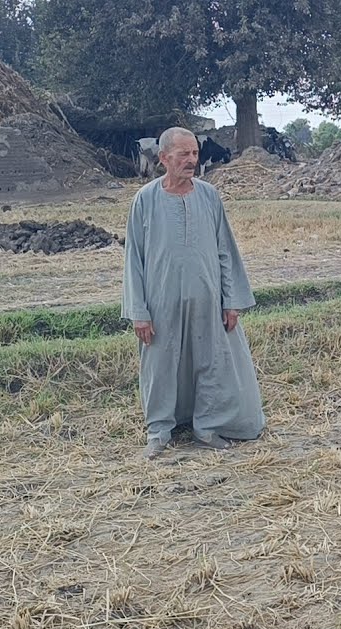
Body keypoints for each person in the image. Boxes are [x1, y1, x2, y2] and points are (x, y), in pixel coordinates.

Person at [121, 127, 266, 459]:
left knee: (210, 363)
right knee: (159, 366)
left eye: (195, 154)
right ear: (163, 158)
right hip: (160, 303)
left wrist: (232, 301)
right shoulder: (145, 199)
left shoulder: (209, 196)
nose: (191, 161)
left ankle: (207, 427)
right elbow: (134, 260)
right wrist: (139, 312)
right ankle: (159, 431)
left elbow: (225, 252)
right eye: (183, 154)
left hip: (207, 299)